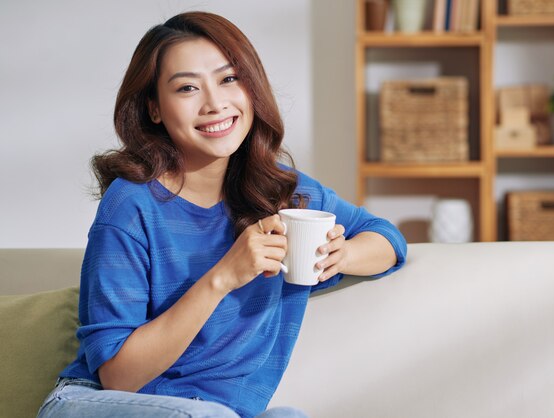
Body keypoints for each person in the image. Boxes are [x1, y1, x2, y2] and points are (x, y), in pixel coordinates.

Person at [36, 11, 407, 418]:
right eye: (187, 88)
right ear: (154, 109)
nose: (215, 103)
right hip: (97, 402)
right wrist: (223, 277)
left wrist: (344, 256)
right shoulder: (131, 205)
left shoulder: (283, 192)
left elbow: (384, 236)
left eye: (229, 79)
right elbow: (118, 376)